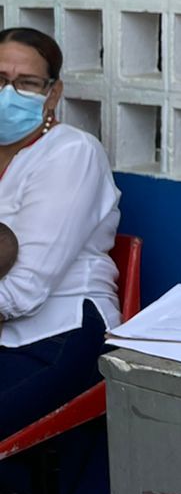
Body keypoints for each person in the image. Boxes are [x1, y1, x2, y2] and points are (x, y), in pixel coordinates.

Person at [0, 28, 122, 438]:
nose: (9, 93)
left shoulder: (72, 153)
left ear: (52, 94)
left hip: (56, 333)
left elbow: (25, 291)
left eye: (27, 83)